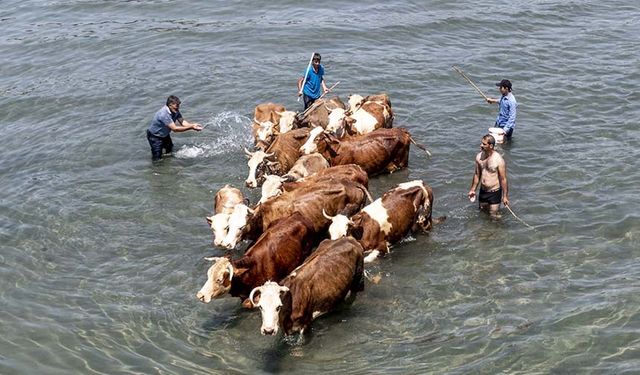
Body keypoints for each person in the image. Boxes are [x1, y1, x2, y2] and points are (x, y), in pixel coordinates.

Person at [146, 95, 202, 161]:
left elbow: (182, 122)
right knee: (157, 159)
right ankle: (156, 170)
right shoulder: (164, 114)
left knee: (169, 150)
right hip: (155, 137)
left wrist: (193, 125)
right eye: (176, 106)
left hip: (165, 135)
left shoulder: (175, 110)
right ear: (170, 105)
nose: (178, 108)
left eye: (178, 106)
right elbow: (175, 129)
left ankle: (167, 163)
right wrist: (191, 127)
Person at [468, 134, 509, 217]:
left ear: (490, 146)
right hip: (483, 191)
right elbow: (477, 174)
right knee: (482, 213)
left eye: (484, 144)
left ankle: (497, 229)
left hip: (494, 193)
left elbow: (503, 179)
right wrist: (473, 190)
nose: (481, 145)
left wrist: (505, 196)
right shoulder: (479, 157)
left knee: (493, 217)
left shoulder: (498, 160)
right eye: (481, 143)